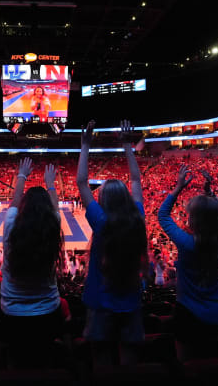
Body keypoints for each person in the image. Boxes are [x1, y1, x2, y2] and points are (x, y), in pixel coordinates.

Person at [77, 120, 147, 367]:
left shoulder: (101, 222)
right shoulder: (138, 219)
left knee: (103, 364)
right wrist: (127, 145)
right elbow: (137, 182)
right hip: (131, 301)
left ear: (104, 199)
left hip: (101, 302)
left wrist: (85, 145)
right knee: (130, 365)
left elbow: (82, 183)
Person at [158, 166, 218, 361]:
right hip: (216, 310)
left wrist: (178, 187)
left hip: (187, 311)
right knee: (212, 363)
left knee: (186, 364)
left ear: (193, 219)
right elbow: (217, 216)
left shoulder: (187, 243)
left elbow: (163, 215)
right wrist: (209, 193)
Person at [0, 158, 64, 367]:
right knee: (44, 359)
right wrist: (51, 184)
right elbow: (55, 209)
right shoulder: (53, 227)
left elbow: (15, 200)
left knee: (16, 360)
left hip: (12, 313)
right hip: (48, 312)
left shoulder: (11, 225)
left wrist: (22, 175)